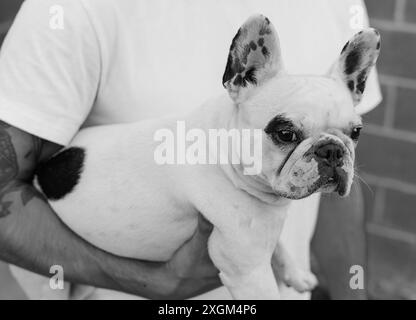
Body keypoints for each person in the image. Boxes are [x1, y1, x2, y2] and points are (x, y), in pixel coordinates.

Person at [0, 0, 381, 300]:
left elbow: (318, 193)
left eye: (351, 134)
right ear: (240, 75)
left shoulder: (335, 3)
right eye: (286, 134)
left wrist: (354, 291)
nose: (332, 154)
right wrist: (151, 282)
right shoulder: (72, 8)